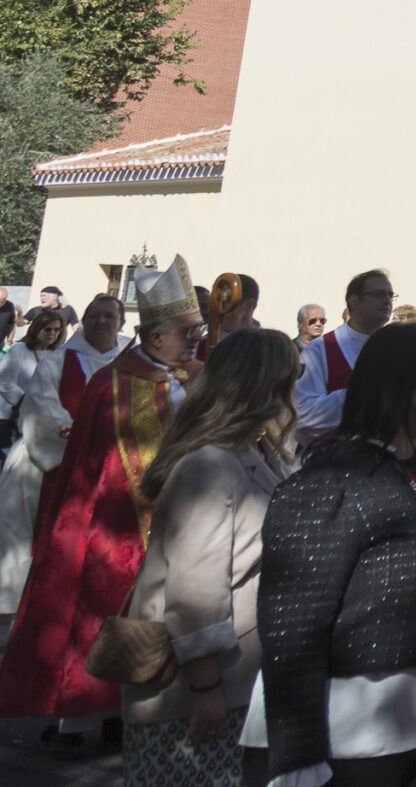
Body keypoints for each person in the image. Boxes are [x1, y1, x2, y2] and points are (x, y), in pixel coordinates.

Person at [256, 320, 416, 786]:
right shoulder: (330, 482)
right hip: (353, 737)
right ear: (400, 383)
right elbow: (292, 627)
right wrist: (298, 757)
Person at [0, 258, 204, 732]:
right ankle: (82, 716)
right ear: (156, 337)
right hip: (115, 521)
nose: (198, 338)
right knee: (99, 610)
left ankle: (135, 709)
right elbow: (89, 459)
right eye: (188, 331)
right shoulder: (112, 382)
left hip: (183, 518)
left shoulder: (199, 377)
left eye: (199, 329)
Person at [121, 329, 301, 787]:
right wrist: (205, 688)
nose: (294, 391)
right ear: (265, 384)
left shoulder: (258, 452)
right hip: (199, 685)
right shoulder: (210, 465)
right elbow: (195, 592)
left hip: (240, 675)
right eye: (290, 378)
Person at [0, 306, 72, 616]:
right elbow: (5, 381)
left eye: (56, 330)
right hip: (14, 418)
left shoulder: (61, 358)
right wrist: (26, 400)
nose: (52, 334)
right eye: (47, 329)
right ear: (36, 328)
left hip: (48, 431)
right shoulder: (20, 352)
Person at [296, 269, 398, 434]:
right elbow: (303, 414)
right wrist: (361, 395)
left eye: (390, 295)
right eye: (379, 294)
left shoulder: (400, 345)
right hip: (339, 447)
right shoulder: (321, 349)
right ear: (354, 301)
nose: (387, 301)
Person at [64, 291, 130, 412]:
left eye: (109, 316)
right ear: (84, 321)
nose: (101, 321)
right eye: (94, 316)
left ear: (122, 323)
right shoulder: (56, 362)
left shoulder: (130, 364)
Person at [210, 273, 262, 344]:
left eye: (224, 302)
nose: (216, 309)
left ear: (248, 306)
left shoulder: (265, 346)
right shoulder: (202, 344)